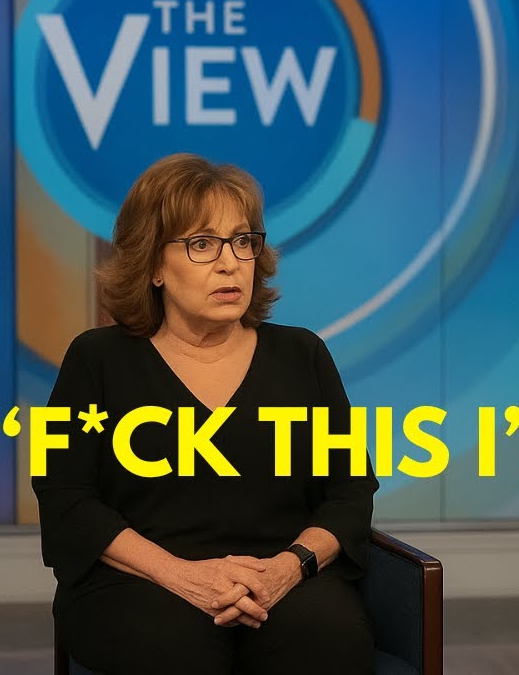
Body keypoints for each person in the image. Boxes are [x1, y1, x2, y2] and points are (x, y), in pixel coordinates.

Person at [33, 154, 377, 674]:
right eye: (202, 244)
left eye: (242, 241)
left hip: (280, 578)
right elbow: (66, 498)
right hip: (141, 582)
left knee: (328, 642)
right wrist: (182, 576)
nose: (230, 263)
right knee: (175, 650)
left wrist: (287, 569)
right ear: (153, 265)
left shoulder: (303, 355)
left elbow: (350, 493)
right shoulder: (95, 359)